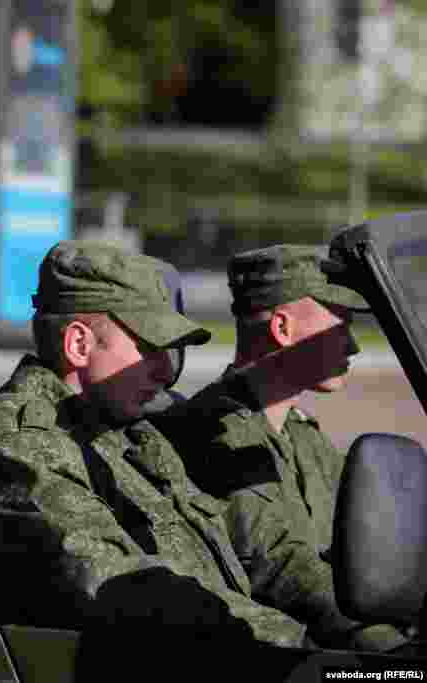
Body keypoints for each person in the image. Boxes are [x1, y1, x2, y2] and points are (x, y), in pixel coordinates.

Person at [0, 241, 306, 650]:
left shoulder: (126, 429)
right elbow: (115, 580)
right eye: (148, 348)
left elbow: (247, 548)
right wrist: (287, 642)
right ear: (79, 345)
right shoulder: (23, 441)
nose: (166, 370)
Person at [153, 244, 408, 652]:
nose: (352, 346)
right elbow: (280, 564)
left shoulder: (301, 434)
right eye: (339, 326)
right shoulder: (213, 432)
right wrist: (390, 648)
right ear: (283, 328)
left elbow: (371, 534)